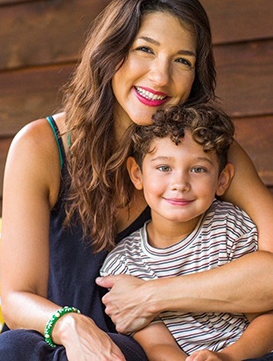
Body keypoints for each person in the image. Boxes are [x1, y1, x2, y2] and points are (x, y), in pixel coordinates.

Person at [0, 0, 273, 361]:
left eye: (182, 60)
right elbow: (19, 298)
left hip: (156, 350)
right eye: (145, 50)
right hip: (60, 341)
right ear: (110, 52)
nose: (160, 77)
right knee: (11, 350)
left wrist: (154, 295)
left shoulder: (208, 149)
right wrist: (71, 326)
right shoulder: (41, 146)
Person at [100, 103, 273, 361]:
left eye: (198, 169)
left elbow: (266, 318)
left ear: (222, 180)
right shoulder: (124, 265)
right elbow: (157, 346)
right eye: (164, 168)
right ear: (137, 174)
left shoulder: (230, 228)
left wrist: (226, 358)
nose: (180, 183)